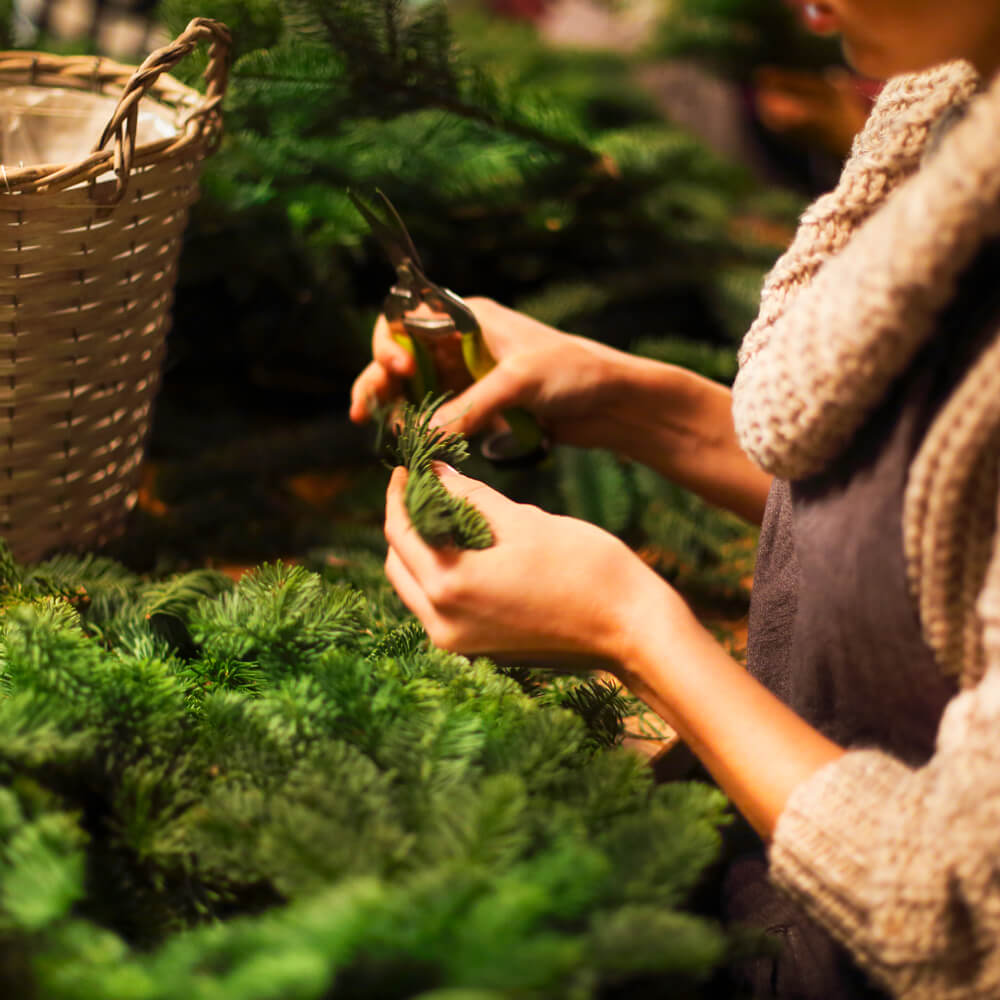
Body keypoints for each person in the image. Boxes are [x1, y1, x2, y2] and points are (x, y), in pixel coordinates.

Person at [351, 2, 1000, 996]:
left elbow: (960, 912)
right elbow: (925, 529)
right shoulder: (948, 114)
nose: (806, 7)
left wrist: (633, 629)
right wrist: (639, 406)